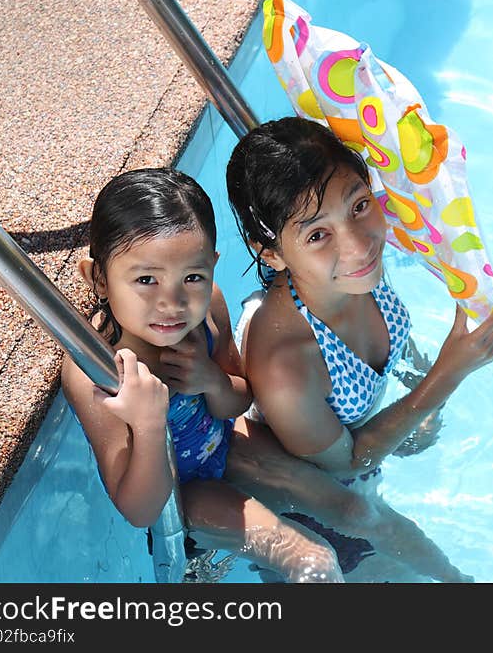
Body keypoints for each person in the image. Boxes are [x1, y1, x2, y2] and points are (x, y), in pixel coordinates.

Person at [225, 117, 493, 582]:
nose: (359, 244)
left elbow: (398, 342)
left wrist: (418, 382)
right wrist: (449, 372)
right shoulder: (286, 359)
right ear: (270, 253)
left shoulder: (356, 272)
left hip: (358, 476)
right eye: (317, 235)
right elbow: (347, 461)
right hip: (315, 520)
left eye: (359, 205)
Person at [60, 167, 344, 583]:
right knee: (311, 562)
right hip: (185, 493)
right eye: (145, 280)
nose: (172, 303)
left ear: (212, 266)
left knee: (351, 506)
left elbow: (239, 399)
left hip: (226, 441)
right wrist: (148, 422)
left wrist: (211, 380)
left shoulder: (207, 306)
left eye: (191, 277)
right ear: (97, 277)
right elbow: (140, 510)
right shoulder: (97, 371)